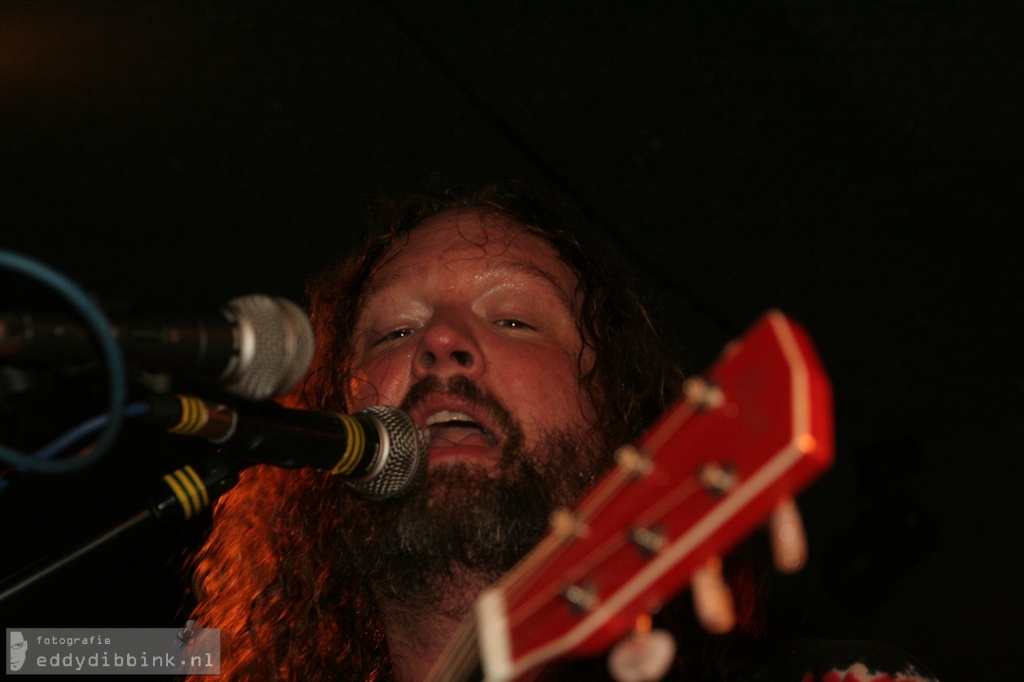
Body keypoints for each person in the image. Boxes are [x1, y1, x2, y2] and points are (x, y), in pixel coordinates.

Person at [186, 180, 938, 681]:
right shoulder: (180, 658)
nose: (440, 342)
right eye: (393, 332)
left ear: (620, 420)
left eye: (513, 319)